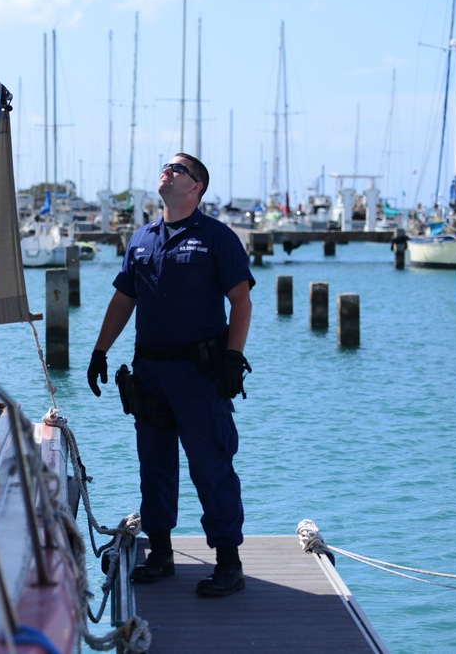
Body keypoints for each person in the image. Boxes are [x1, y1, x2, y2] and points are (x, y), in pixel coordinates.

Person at [87, 153, 255, 598]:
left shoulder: (217, 237)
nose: (168, 170)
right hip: (150, 374)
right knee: (154, 466)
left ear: (196, 186)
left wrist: (233, 358)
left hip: (200, 376)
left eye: (178, 169)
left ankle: (228, 563)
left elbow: (241, 301)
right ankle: (160, 554)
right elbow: (124, 299)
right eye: (167, 165)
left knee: (211, 466)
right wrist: (100, 350)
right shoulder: (142, 238)